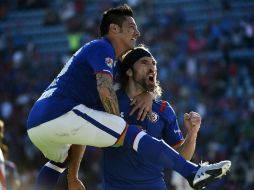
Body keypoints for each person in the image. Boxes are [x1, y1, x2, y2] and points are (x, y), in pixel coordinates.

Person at [26, 4, 231, 190]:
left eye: (154, 65)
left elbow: (82, 128)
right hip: (58, 113)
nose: (137, 32)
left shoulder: (159, 107)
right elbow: (105, 89)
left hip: (40, 123)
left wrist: (73, 177)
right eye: (131, 27)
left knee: (57, 162)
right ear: (114, 29)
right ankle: (193, 173)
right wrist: (118, 125)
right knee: (126, 131)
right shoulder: (102, 47)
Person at [102, 46, 230, 190]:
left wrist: (192, 134)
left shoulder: (163, 109)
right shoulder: (111, 102)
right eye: (144, 62)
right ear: (129, 71)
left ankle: (194, 172)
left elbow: (182, 158)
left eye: (154, 63)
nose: (152, 68)